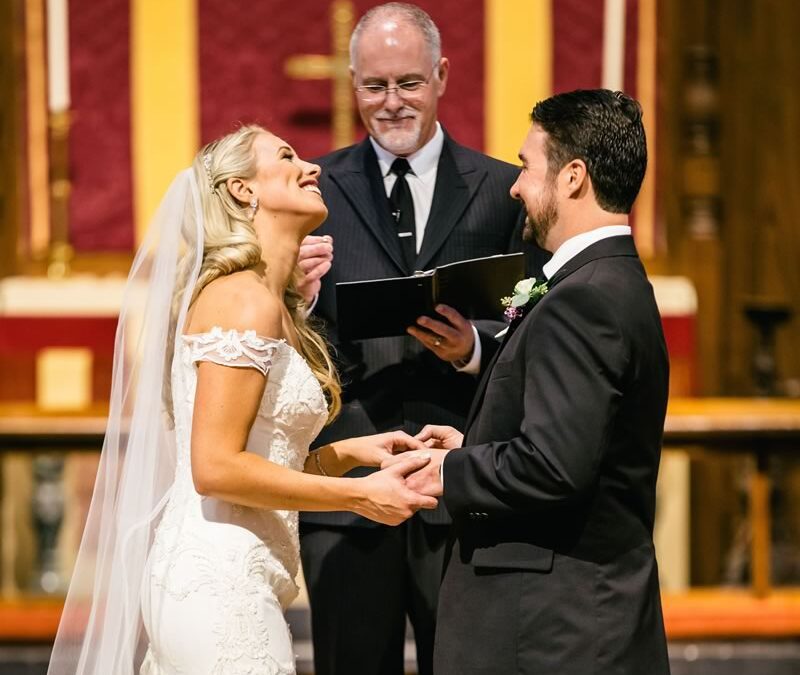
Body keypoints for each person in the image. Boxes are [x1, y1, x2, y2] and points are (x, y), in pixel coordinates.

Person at [46, 124, 440, 675]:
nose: (312, 167)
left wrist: (350, 454)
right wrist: (357, 498)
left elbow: (263, 460)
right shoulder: (242, 300)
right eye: (286, 156)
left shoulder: (267, 302)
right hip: (218, 585)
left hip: (239, 576)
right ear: (242, 190)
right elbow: (214, 469)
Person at [296, 4, 549, 675]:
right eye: (375, 86)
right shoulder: (311, 190)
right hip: (349, 494)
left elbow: (532, 324)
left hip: (461, 493)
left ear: (440, 75)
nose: (391, 103)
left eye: (408, 83)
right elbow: (288, 336)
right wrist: (300, 297)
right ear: (353, 86)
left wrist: (473, 347)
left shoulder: (503, 191)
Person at [392, 89, 671, 674]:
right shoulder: (604, 280)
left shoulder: (586, 298)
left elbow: (553, 466)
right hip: (568, 619)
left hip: (551, 631)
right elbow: (572, 440)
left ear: (572, 177)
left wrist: (450, 472)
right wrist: (474, 447)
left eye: (526, 165)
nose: (515, 186)